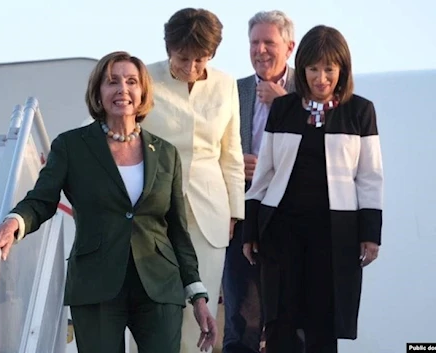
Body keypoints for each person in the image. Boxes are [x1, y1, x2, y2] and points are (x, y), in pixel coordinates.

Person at [0, 51, 217, 353]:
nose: (123, 89)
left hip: (159, 285)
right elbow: (42, 200)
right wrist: (12, 225)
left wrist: (197, 295)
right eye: (112, 82)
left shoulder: (166, 153)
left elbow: (177, 231)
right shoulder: (71, 146)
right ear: (98, 93)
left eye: (132, 81)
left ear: (143, 91)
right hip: (96, 285)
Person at [242, 25, 384, 353]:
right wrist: (251, 229)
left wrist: (370, 233)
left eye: (329, 70)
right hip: (281, 231)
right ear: (302, 70)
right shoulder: (284, 108)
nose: (321, 78)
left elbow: (370, 177)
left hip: (335, 235)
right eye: (313, 69)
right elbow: (264, 174)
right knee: (280, 321)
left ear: (342, 70)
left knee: (324, 322)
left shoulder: (360, 111)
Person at [139, 7, 245, 353]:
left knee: (198, 311)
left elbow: (231, 153)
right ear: (169, 48)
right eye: (183, 58)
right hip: (151, 210)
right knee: (151, 306)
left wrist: (234, 211)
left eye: (201, 60)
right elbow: (102, 128)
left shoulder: (226, 84)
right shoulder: (142, 78)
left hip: (209, 212)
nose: (191, 68)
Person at [221, 10, 303, 353]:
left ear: (289, 46)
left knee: (294, 316)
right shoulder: (232, 90)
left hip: (294, 218)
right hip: (243, 215)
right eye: (255, 42)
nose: (261, 50)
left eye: (269, 42)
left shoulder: (310, 88)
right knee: (243, 315)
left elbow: (329, 143)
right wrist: (236, 165)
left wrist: (284, 103)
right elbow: (212, 147)